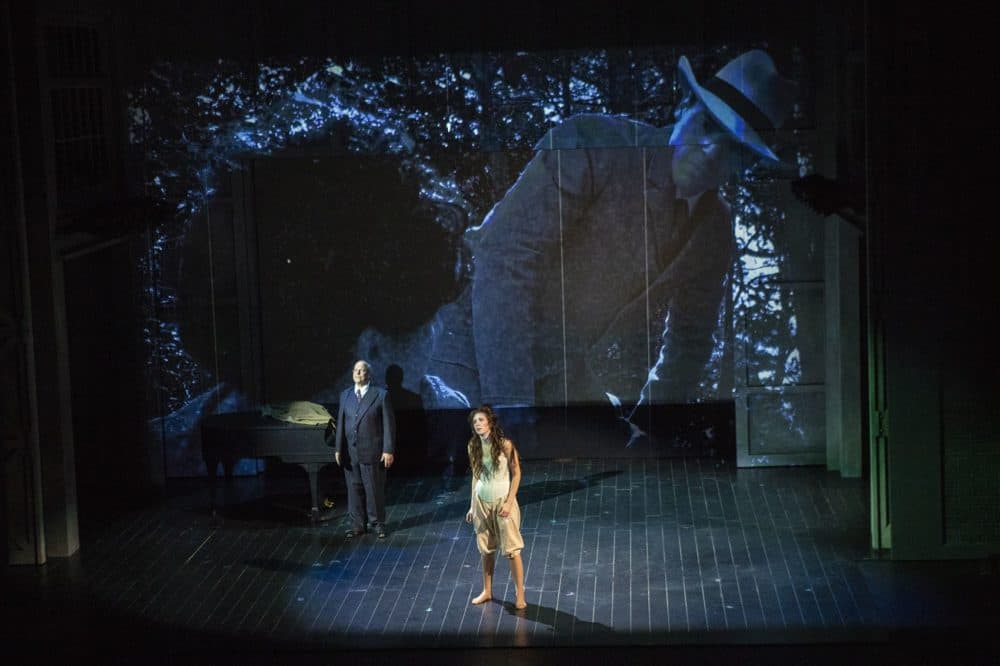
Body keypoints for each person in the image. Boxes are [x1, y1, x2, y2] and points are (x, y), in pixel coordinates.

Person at [414, 49, 797, 437]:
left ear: (746, 164)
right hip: (469, 346)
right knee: (463, 469)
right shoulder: (592, 144)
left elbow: (690, 340)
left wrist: (648, 429)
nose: (712, 152)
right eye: (708, 127)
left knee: (618, 451)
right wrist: (511, 404)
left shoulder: (714, 229)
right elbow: (504, 259)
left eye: (734, 148)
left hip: (561, 372)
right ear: (685, 105)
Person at [464, 405, 526, 609]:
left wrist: (509, 502)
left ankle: (519, 594)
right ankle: (487, 590)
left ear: (490, 422)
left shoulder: (505, 444)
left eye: (481, 420)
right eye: (475, 422)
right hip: (482, 502)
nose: (478, 424)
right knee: (486, 550)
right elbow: (476, 476)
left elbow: (516, 474)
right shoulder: (473, 446)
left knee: (511, 549)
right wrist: (472, 506)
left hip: (502, 502)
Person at [333, 360, 396, 538]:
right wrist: (338, 448)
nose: (358, 373)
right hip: (351, 452)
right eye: (356, 370)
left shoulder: (380, 395)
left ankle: (377, 523)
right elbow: (341, 423)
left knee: (373, 488)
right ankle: (357, 524)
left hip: (372, 451)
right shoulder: (345, 395)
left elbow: (389, 425)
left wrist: (388, 449)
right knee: (354, 489)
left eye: (362, 370)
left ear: (368, 374)